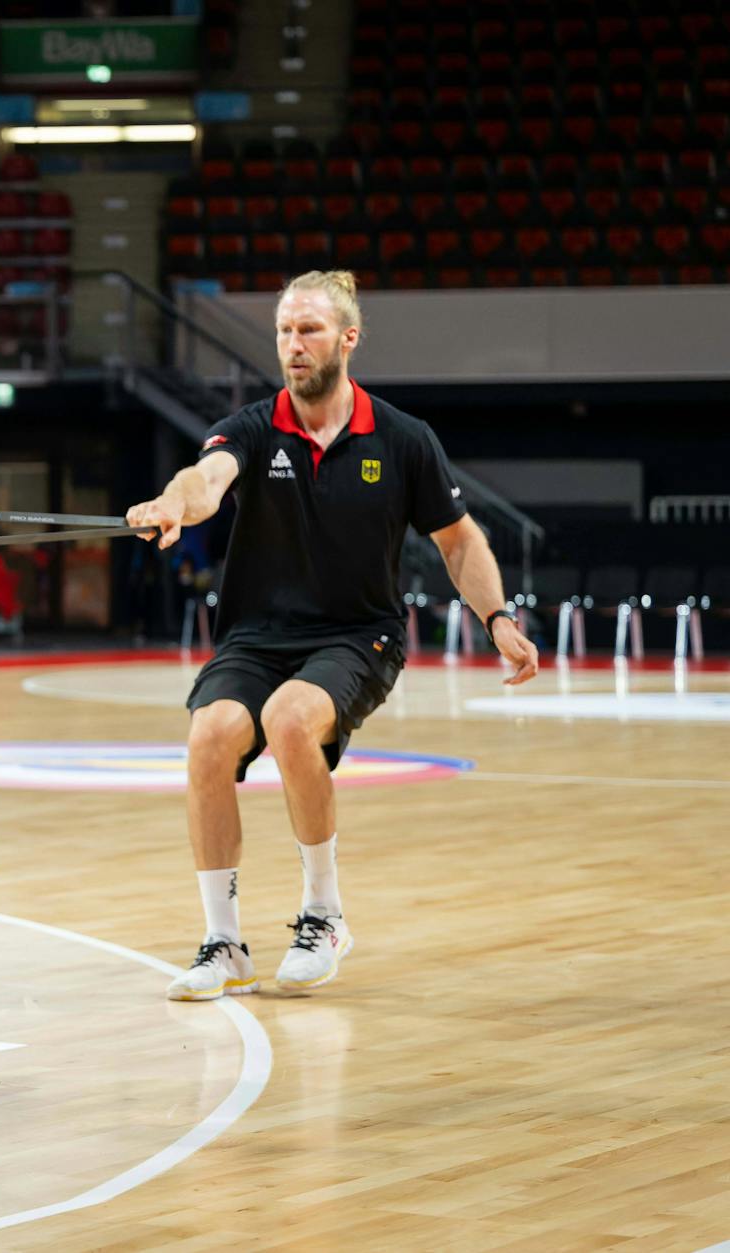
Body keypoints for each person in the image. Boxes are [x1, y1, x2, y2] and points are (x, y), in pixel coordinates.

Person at [124, 269, 540, 1002]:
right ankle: (223, 942)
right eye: (285, 329)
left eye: (309, 329)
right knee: (210, 735)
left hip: (358, 636)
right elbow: (207, 477)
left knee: (290, 719)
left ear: (348, 338)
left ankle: (324, 913)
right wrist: (173, 503)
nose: (293, 343)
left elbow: (459, 540)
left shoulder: (405, 440)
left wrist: (497, 617)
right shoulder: (254, 427)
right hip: (257, 633)